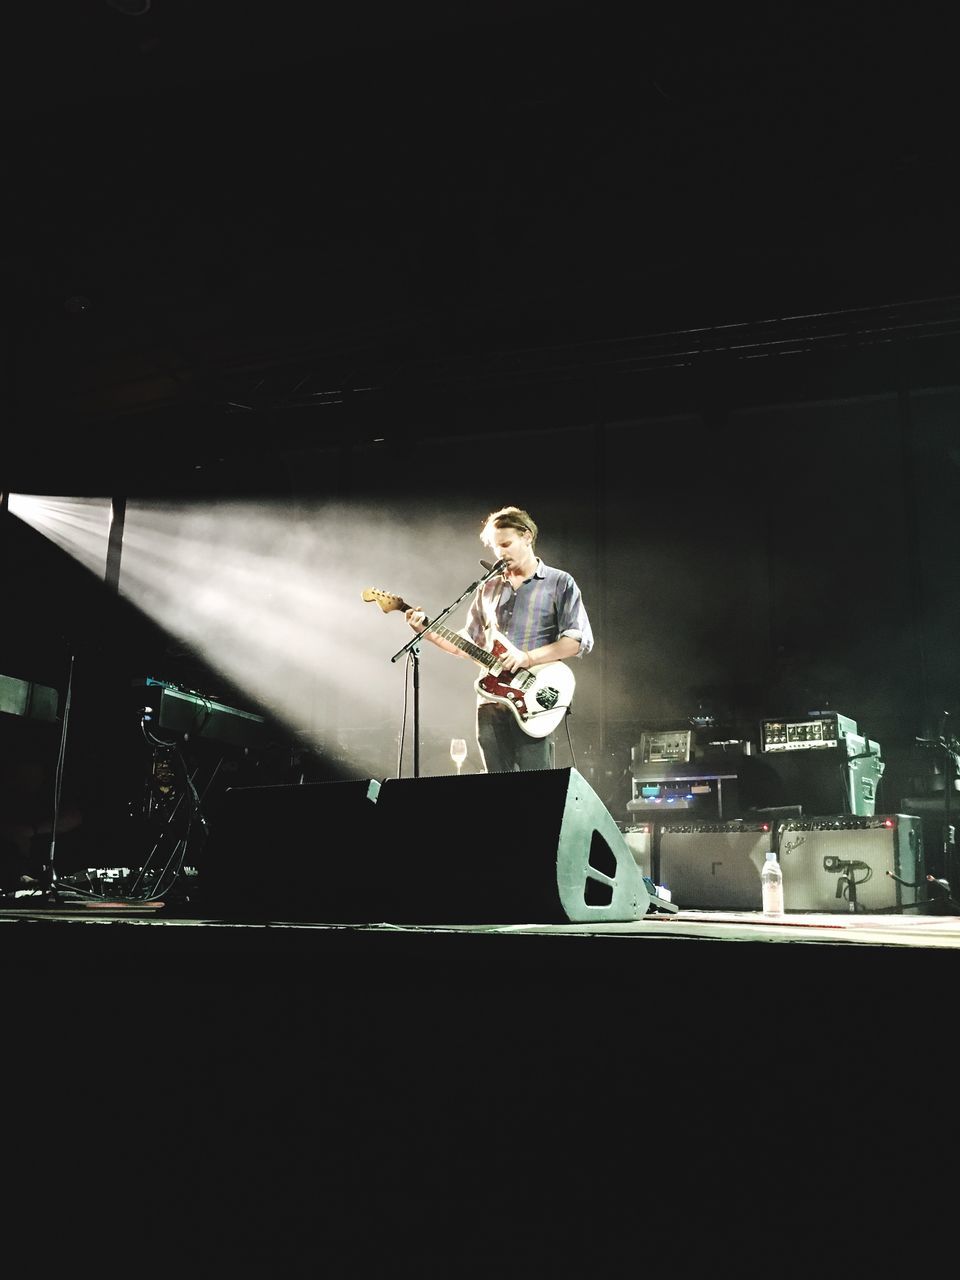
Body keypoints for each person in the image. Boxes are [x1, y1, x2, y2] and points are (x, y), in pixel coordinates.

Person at [405, 505, 594, 773]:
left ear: (527, 536)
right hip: (491, 702)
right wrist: (426, 630)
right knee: (497, 789)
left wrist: (526, 657)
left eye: (506, 544)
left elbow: (577, 641)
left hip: (534, 700)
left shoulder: (559, 582)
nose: (500, 553)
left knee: (536, 789)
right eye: (495, 547)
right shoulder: (489, 587)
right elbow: (469, 644)